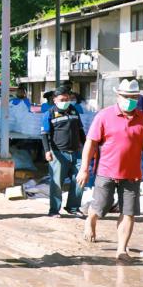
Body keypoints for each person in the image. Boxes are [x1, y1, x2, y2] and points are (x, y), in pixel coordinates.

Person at [77, 79, 143, 262]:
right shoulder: (104, 116)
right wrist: (84, 169)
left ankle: (122, 250)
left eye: (134, 97)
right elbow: (91, 143)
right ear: (118, 96)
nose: (130, 100)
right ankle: (91, 219)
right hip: (106, 172)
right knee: (101, 206)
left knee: (128, 212)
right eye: (126, 96)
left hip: (132, 175)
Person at [41, 83, 85, 217]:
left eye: (67, 99)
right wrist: (47, 151)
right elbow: (44, 134)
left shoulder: (74, 110)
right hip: (58, 153)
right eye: (62, 100)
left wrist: (86, 147)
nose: (65, 102)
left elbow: (81, 130)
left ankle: (73, 207)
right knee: (57, 183)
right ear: (55, 100)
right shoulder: (49, 113)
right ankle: (54, 210)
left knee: (79, 180)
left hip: (76, 153)